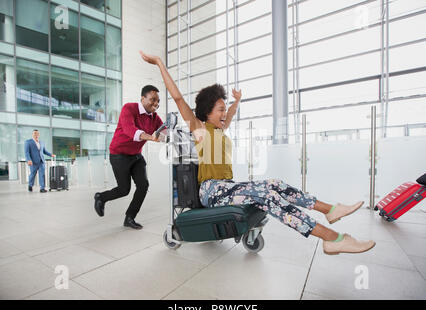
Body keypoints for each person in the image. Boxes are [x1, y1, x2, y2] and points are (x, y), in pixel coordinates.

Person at [139, 50, 376, 255]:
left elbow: (230, 115)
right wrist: (160, 62)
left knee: (275, 184)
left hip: (226, 186)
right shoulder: (200, 129)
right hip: (211, 190)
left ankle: (331, 211)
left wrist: (237, 101)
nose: (224, 114)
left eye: (224, 110)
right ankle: (332, 238)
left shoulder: (221, 130)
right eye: (219, 109)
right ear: (207, 112)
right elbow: (178, 97)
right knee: (268, 196)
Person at [94, 85, 164, 230]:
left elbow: (165, 131)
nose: (156, 104)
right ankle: (101, 197)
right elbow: (130, 130)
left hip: (136, 155)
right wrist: (150, 137)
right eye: (152, 100)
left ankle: (130, 217)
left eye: (158, 101)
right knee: (124, 189)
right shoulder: (129, 108)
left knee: (143, 185)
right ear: (142, 98)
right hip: (119, 154)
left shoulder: (154, 118)